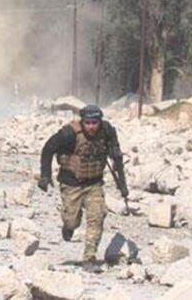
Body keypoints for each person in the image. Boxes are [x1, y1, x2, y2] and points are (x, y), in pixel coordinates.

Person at [37, 104, 128, 271]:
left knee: (97, 218)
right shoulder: (69, 134)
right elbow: (48, 149)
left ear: (100, 121)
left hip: (94, 183)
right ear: (82, 122)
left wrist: (122, 185)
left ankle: (89, 258)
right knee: (71, 221)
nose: (92, 127)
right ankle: (68, 227)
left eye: (95, 123)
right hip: (71, 184)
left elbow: (117, 157)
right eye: (88, 123)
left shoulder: (106, 131)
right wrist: (45, 176)